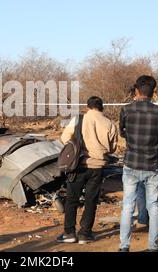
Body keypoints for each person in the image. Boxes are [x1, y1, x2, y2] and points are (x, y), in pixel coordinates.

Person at [58, 96, 118, 244]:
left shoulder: (78, 119)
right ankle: (85, 234)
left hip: (78, 165)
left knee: (72, 200)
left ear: (88, 106)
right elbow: (112, 148)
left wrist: (77, 146)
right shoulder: (110, 123)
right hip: (97, 167)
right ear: (101, 107)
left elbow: (64, 138)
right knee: (91, 200)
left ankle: (69, 233)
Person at [119, 75, 158, 252]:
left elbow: (122, 132)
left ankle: (124, 246)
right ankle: (153, 247)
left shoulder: (126, 110)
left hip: (131, 164)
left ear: (136, 90)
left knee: (127, 206)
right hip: (152, 165)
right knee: (153, 206)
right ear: (153, 93)